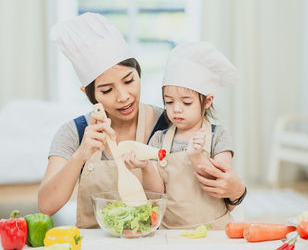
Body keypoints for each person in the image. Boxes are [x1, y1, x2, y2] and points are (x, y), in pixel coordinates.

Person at [38, 12, 168, 228]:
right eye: (107, 90)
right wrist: (80, 156)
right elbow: (46, 205)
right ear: (89, 94)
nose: (123, 96)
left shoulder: (169, 123)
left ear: (138, 72)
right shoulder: (74, 132)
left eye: (129, 80)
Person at [123, 42, 247, 230]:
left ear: (207, 101)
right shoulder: (159, 139)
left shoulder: (217, 135)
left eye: (186, 102)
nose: (176, 109)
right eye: (169, 102)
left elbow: (220, 184)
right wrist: (146, 166)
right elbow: (156, 195)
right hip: (169, 231)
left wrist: (196, 157)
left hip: (214, 231)